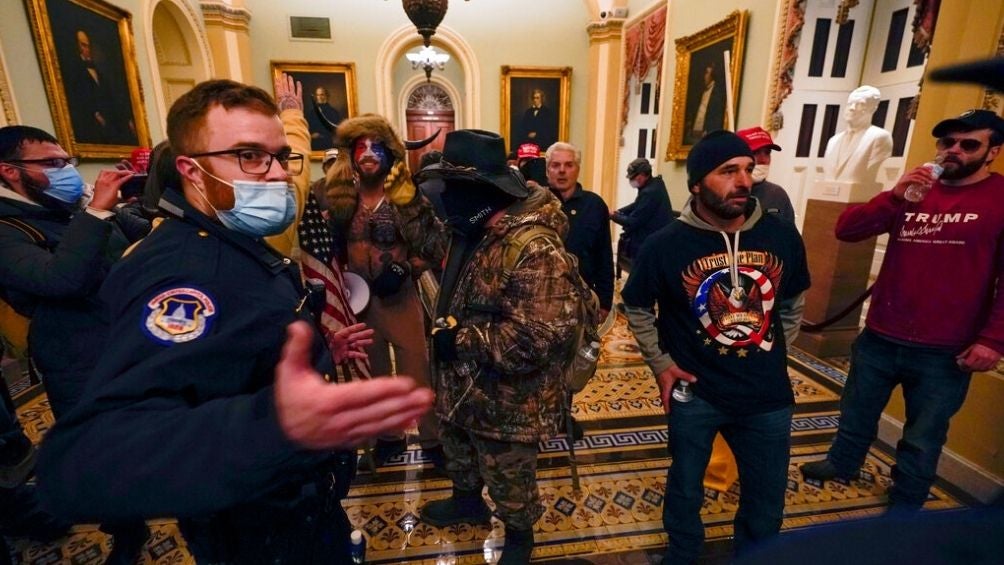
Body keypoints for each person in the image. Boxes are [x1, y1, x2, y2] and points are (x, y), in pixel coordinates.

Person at [35, 79, 434, 563]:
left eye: (280, 156)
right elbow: (83, 464)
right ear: (192, 170)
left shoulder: (233, 242)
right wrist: (278, 423)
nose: (275, 175)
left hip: (301, 510)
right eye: (248, 155)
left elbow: (234, 357)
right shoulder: (180, 276)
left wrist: (322, 352)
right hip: (255, 533)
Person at [800, 109, 1004, 511]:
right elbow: (847, 229)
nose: (954, 151)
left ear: (993, 151)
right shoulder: (917, 189)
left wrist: (993, 340)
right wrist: (894, 196)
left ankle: (908, 497)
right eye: (947, 143)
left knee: (924, 432)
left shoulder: (999, 199)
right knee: (856, 410)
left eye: (969, 144)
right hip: (881, 334)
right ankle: (843, 462)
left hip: (946, 348)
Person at [621, 130, 809, 563]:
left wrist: (775, 349)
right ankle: (683, 552)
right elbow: (635, 305)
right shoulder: (665, 244)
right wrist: (661, 363)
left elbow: (794, 300)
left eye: (747, 169)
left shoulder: (781, 235)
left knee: (767, 495)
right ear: (697, 185)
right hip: (697, 391)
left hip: (767, 397)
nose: (743, 180)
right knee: (686, 486)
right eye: (728, 172)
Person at [414, 129, 580, 564]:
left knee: (509, 479)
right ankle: (466, 501)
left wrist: (459, 340)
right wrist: (402, 199)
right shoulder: (470, 228)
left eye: (453, 188)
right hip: (462, 384)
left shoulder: (536, 247)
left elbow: (537, 337)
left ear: (483, 192)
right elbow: (426, 243)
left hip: (509, 401)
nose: (445, 196)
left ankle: (520, 540)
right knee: (461, 451)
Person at [325, 114, 447, 466]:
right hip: (357, 303)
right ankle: (388, 438)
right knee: (375, 375)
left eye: (374, 145)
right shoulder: (338, 198)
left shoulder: (406, 196)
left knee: (416, 370)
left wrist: (408, 267)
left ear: (389, 153)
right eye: (359, 146)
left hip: (401, 297)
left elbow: (434, 246)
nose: (367, 153)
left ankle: (432, 440)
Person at [545, 141, 614, 319]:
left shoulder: (595, 205)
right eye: (555, 165)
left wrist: (605, 302)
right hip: (541, 300)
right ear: (547, 171)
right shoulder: (534, 204)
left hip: (582, 299)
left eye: (569, 165)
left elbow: (604, 255)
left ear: (577, 169)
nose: (562, 170)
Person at [64, 29, 136, 146]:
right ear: (77, 47)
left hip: (111, 122)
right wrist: (96, 115)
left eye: (87, 45)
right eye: (83, 45)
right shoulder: (75, 71)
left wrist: (126, 119)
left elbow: (110, 96)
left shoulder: (98, 71)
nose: (86, 49)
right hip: (92, 125)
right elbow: (80, 99)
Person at [821, 86, 893, 185]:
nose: (852, 108)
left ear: (873, 109)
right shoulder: (833, 140)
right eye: (850, 103)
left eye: (860, 104)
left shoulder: (880, 137)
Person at [611, 157, 673, 264]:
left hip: (653, 241)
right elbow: (637, 205)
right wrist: (619, 211)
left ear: (644, 175)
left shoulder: (650, 192)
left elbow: (633, 222)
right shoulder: (656, 183)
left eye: (634, 177)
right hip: (657, 235)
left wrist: (612, 216)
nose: (632, 180)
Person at [736, 126, 795, 223]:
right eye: (755, 152)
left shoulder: (777, 195)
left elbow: (789, 235)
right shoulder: (727, 193)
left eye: (767, 153)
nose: (763, 160)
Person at [687, 63, 725, 144]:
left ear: (712, 75)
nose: (705, 76)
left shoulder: (717, 92)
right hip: (695, 133)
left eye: (707, 73)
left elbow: (716, 115)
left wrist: (708, 131)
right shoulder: (701, 91)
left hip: (706, 134)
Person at [306, 86, 342, 152]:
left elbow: (336, 130)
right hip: (313, 145)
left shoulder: (333, 112)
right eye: (317, 95)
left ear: (326, 96)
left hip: (328, 143)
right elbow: (307, 128)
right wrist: (311, 135)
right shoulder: (311, 112)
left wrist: (321, 135)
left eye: (322, 95)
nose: (319, 97)